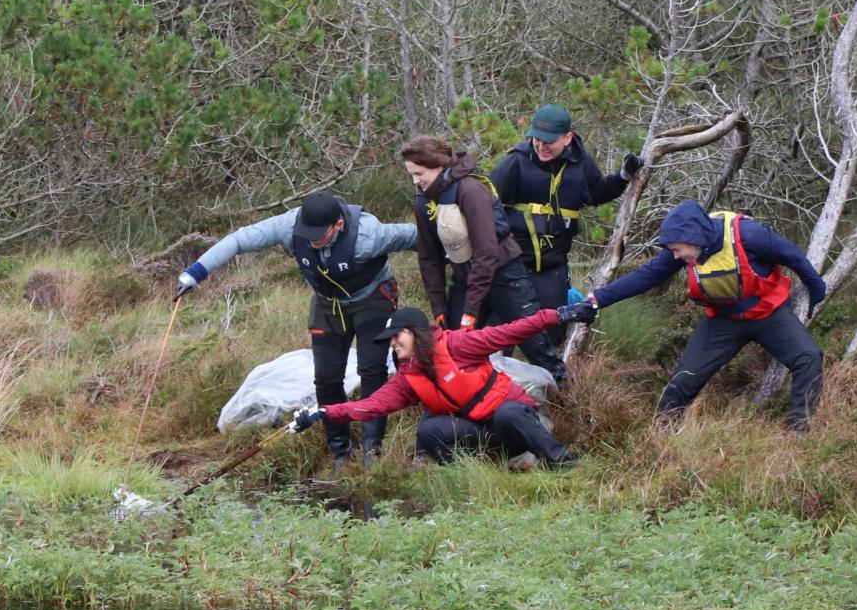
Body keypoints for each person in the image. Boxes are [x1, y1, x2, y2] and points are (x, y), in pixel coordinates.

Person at [174, 192, 416, 469]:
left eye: (319, 234)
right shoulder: (289, 226)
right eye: (307, 233)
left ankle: (372, 453)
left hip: (372, 296)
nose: (311, 240)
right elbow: (239, 240)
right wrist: (195, 273)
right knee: (326, 378)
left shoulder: (369, 234)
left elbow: (418, 236)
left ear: (338, 225)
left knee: (372, 371)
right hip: (328, 303)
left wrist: (457, 255)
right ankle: (341, 453)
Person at [587, 200, 826, 432]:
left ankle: (800, 431)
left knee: (808, 357)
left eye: (678, 250)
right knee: (684, 379)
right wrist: (597, 300)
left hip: (768, 312)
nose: (676, 256)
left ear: (694, 238)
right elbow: (645, 276)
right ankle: (661, 435)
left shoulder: (750, 235)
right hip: (724, 319)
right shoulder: (686, 247)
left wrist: (816, 292)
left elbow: (793, 256)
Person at [288, 303, 598, 468]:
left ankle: (561, 462)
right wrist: (323, 413)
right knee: (429, 431)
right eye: (390, 340)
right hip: (484, 436)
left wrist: (559, 314)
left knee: (507, 415)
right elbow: (370, 405)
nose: (393, 344)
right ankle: (482, 468)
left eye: (398, 336)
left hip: (518, 420)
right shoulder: (407, 378)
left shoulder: (458, 344)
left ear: (415, 331)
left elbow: (510, 332)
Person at [401, 136, 568, 383]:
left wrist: (470, 311)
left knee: (534, 343)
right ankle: (467, 407)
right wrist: (439, 307)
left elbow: (486, 252)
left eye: (419, 173)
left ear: (438, 165)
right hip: (464, 279)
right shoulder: (424, 199)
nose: (416, 181)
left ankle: (566, 394)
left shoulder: (470, 190)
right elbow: (429, 257)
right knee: (455, 346)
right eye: (411, 175)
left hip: (504, 275)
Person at [489, 104, 643, 341]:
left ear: (567, 137)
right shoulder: (514, 163)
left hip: (552, 267)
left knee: (552, 334)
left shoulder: (581, 164)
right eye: (536, 139)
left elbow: (598, 192)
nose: (540, 146)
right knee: (499, 335)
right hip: (512, 264)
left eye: (548, 141)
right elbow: (486, 207)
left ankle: (549, 375)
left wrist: (624, 176)